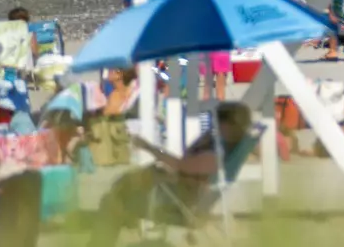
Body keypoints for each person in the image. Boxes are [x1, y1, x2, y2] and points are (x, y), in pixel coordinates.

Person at [94, 102, 257, 246]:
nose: (214, 126)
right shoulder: (225, 149)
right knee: (119, 193)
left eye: (219, 121)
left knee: (111, 201)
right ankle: (121, 218)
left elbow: (181, 165)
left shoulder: (216, 155)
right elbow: (186, 167)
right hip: (178, 195)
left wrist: (148, 147)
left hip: (175, 205)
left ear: (229, 125)